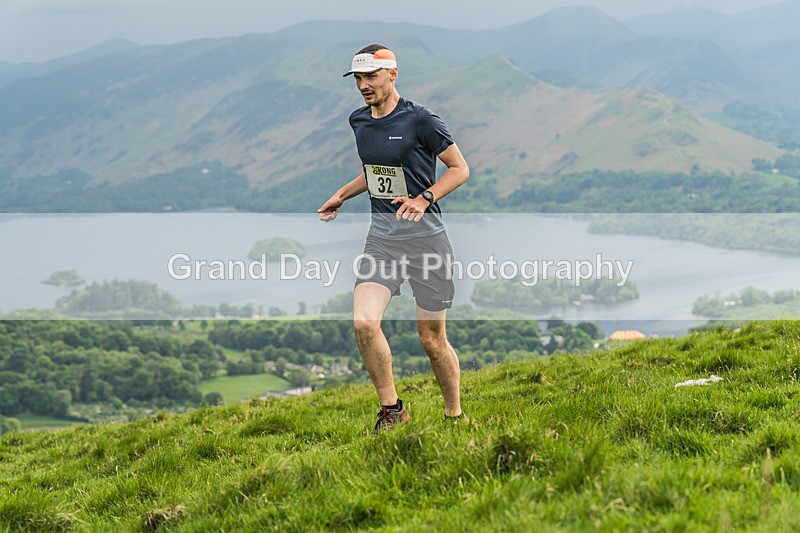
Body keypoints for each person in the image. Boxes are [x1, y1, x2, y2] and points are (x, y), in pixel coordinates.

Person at [318, 44, 470, 432]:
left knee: (432, 340)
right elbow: (374, 171)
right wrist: (342, 194)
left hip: (427, 242)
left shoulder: (422, 119)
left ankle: (454, 415)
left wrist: (425, 198)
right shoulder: (359, 121)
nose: (363, 86)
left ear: (392, 74)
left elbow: (459, 168)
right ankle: (392, 410)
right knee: (364, 323)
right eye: (357, 79)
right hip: (382, 239)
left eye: (370, 77)